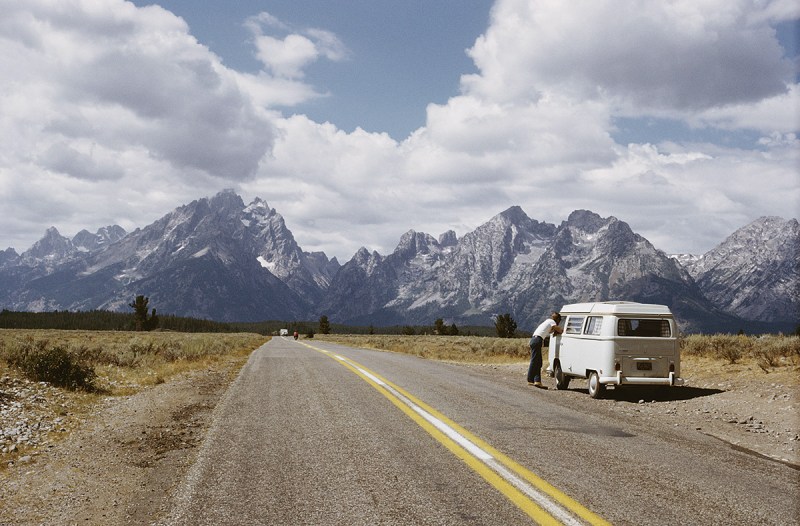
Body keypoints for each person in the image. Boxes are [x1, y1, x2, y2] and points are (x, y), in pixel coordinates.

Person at [527, 311, 563, 389]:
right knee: (534, 360)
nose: (558, 323)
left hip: (534, 339)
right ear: (557, 319)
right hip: (537, 340)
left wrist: (554, 330)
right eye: (559, 321)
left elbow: (550, 331)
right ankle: (530, 379)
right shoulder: (552, 321)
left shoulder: (547, 322)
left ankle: (537, 381)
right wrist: (562, 330)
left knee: (538, 361)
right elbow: (560, 330)